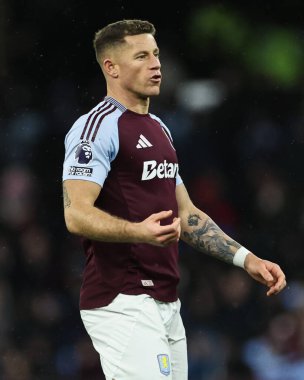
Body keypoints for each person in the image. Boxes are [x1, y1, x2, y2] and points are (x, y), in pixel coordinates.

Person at [62, 19, 287, 380]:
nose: (156, 64)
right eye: (141, 56)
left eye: (156, 54)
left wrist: (247, 259)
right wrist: (138, 231)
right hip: (121, 298)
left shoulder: (160, 129)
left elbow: (187, 214)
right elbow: (75, 214)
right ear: (111, 67)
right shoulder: (96, 127)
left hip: (165, 299)